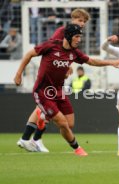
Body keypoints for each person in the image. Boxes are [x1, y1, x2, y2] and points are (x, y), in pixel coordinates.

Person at [14, 24, 119, 156]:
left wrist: (112, 62)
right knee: (61, 122)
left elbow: (92, 61)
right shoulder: (50, 45)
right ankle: (77, 149)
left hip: (59, 91)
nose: (79, 39)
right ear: (68, 36)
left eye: (80, 37)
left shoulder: (74, 53)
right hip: (42, 91)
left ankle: (43, 116)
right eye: (77, 36)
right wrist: (18, 73)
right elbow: (29, 54)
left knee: (69, 125)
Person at [16, 9, 90, 153]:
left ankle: (28, 139)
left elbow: (68, 54)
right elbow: (54, 49)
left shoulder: (76, 35)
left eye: (84, 22)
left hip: (57, 80)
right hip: (50, 75)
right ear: (72, 18)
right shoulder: (62, 31)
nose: (82, 24)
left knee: (43, 109)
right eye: (80, 20)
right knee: (45, 108)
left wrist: (68, 65)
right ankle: (34, 139)